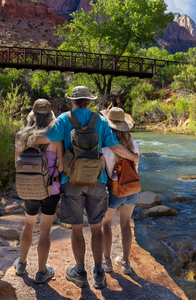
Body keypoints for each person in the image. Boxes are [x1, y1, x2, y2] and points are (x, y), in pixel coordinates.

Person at [39, 86, 140, 289]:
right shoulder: (100, 121)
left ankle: (80, 272)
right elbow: (115, 147)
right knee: (96, 228)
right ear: (89, 102)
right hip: (97, 180)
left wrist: (22, 138)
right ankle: (99, 272)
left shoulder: (64, 119)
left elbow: (45, 138)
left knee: (77, 228)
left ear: (73, 102)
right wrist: (134, 156)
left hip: (71, 182)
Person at [13, 99, 63, 284]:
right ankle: (42, 272)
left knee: (28, 226)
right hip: (50, 190)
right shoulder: (56, 138)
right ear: (50, 117)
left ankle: (21, 264)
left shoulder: (20, 137)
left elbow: (16, 164)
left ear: (32, 117)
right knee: (45, 230)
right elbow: (62, 166)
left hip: (28, 189)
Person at [99, 107, 139, 275]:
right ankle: (126, 262)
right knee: (126, 225)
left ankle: (107, 261)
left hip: (114, 191)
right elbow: (136, 167)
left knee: (106, 224)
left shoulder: (106, 147)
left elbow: (101, 171)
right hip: (132, 189)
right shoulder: (134, 145)